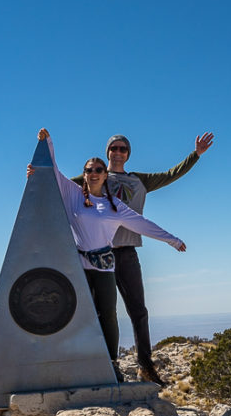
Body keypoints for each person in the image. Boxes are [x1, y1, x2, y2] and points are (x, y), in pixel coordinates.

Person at [29, 128, 186, 383]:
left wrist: (172, 240)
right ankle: (79, 363)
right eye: (89, 170)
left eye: (98, 171)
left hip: (112, 261)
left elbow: (144, 221)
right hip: (81, 262)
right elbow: (54, 176)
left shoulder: (122, 198)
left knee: (121, 313)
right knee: (81, 312)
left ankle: (128, 365)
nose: (93, 173)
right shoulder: (77, 191)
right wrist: (42, 157)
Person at [77, 132, 214, 385]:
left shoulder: (140, 180)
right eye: (114, 148)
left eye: (123, 149)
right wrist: (37, 172)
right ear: (107, 152)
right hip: (97, 256)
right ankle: (102, 365)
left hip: (127, 252)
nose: (118, 152)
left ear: (128, 154)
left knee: (138, 311)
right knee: (98, 312)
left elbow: (171, 174)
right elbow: (59, 184)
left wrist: (195, 156)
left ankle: (146, 366)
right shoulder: (94, 175)